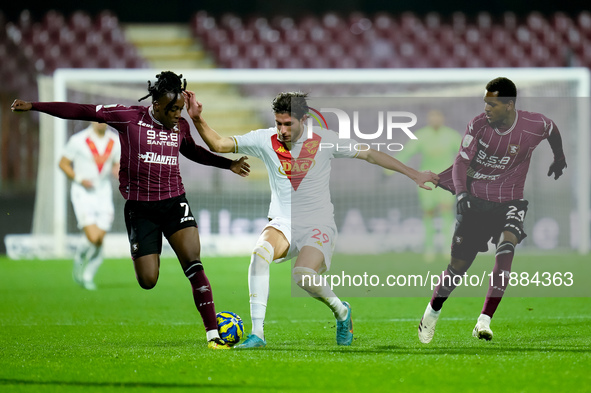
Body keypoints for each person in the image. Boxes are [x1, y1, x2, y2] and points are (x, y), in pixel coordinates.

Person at [11, 71, 251, 350]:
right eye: (172, 109)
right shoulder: (128, 117)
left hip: (174, 202)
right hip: (141, 209)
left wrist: (228, 164)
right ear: (157, 104)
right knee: (148, 280)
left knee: (194, 263)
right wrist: (35, 106)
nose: (177, 114)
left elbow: (193, 151)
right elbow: (82, 110)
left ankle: (213, 334)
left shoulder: (181, 125)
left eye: (180, 109)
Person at [184, 90, 439, 349]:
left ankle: (342, 312)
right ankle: (258, 334)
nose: (282, 130)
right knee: (259, 253)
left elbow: (371, 154)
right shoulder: (264, 139)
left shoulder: (324, 141)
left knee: (303, 275)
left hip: (318, 223)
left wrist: (414, 174)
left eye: (288, 124)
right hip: (283, 222)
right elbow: (219, 144)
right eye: (278, 123)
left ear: (304, 120)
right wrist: (196, 119)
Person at [417, 77, 567, 343]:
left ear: (509, 105)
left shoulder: (533, 124)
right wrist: (462, 193)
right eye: (486, 102)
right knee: (458, 268)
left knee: (507, 246)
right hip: (475, 200)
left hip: (510, 201)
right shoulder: (478, 125)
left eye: (493, 104)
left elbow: (552, 129)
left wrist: (559, 157)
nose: (487, 108)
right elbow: (460, 163)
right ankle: (432, 311)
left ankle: (484, 320)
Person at [387, 109, 462, 261]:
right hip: (426, 179)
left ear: (443, 119)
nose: (434, 120)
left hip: (446, 180)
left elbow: (466, 153)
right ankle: (429, 248)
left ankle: (448, 247)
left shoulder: (451, 135)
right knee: (428, 213)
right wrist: (388, 170)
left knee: (446, 211)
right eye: (432, 117)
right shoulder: (421, 136)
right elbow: (406, 152)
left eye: (437, 116)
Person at [58, 121, 121, 290]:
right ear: (91, 120)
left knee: (99, 239)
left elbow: (116, 163)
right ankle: (80, 259)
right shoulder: (78, 140)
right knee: (93, 237)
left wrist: (118, 171)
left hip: (103, 192)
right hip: (82, 193)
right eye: (97, 118)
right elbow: (63, 163)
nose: (100, 122)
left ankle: (88, 276)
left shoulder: (115, 141)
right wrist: (79, 179)